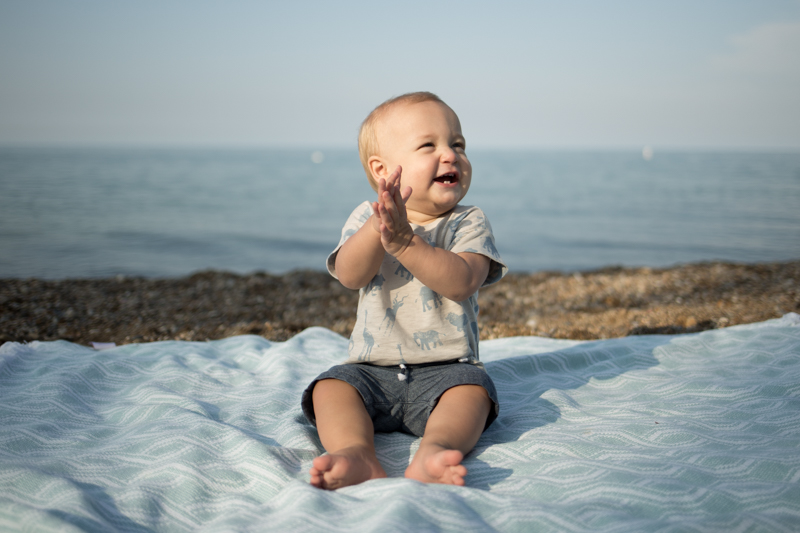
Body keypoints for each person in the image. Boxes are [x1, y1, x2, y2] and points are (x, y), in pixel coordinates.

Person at [301, 92, 507, 490]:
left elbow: (463, 280)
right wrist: (382, 232)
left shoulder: (468, 222)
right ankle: (355, 452)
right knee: (330, 387)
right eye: (429, 145)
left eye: (458, 144)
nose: (450, 155)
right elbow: (349, 274)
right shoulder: (368, 217)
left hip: (448, 371)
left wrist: (406, 244)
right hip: (370, 370)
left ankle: (435, 450)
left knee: (474, 393)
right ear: (383, 171)